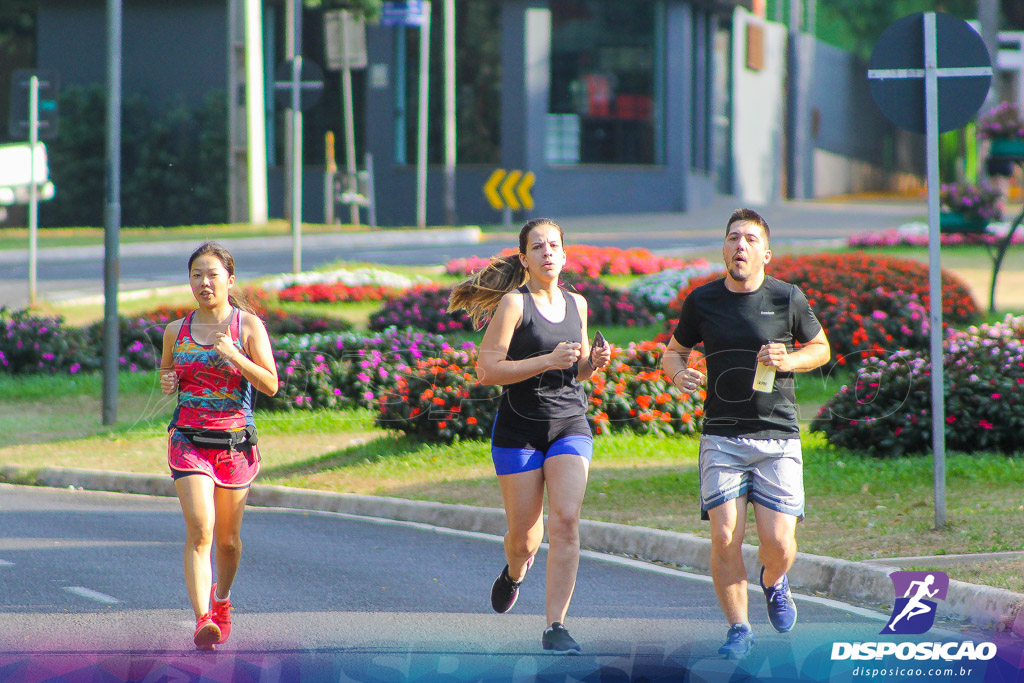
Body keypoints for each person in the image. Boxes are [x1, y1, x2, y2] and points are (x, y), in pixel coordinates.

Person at [661, 208, 830, 660]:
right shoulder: (703, 301)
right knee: (724, 536)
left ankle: (773, 580)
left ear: (766, 254)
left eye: (750, 239)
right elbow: (672, 354)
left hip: (777, 435)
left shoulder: (787, 297)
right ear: (723, 249)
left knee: (778, 544)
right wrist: (679, 375)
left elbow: (821, 347)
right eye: (733, 237)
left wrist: (788, 360)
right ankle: (739, 628)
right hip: (722, 436)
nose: (740, 245)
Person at [448, 218, 612, 654]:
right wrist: (545, 360)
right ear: (524, 258)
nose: (547, 253)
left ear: (564, 252)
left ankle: (556, 626)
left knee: (566, 521)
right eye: (537, 247)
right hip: (519, 428)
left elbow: (574, 370)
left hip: (569, 424)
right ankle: (514, 572)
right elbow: (486, 370)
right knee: (524, 538)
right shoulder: (514, 306)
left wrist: (593, 362)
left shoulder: (577, 304)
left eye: (554, 245)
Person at [159, 242, 278, 651]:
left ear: (230, 279)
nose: (204, 283)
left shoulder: (248, 327)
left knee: (227, 541)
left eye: (212, 275)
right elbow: (166, 372)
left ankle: (221, 601)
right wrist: (168, 381)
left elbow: (271, 384)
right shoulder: (176, 330)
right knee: (201, 531)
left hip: (235, 444)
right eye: (196, 275)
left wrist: (234, 356)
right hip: (188, 440)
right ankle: (202, 619)